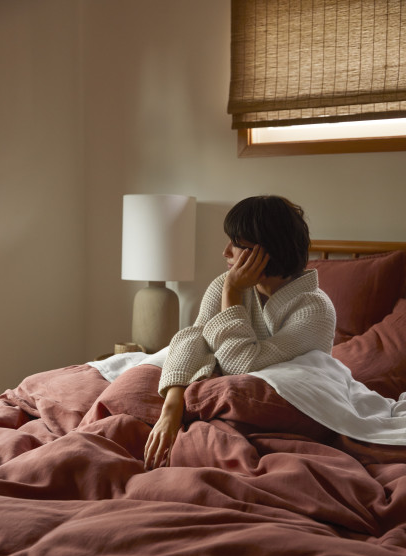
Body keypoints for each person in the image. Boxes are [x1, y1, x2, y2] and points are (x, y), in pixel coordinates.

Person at [144, 195, 336, 470]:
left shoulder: (314, 309)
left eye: (236, 244)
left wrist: (232, 294)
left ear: (267, 250)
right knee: (135, 381)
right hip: (224, 397)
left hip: (278, 411)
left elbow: (241, 366)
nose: (225, 252)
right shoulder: (224, 284)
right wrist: (171, 406)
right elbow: (193, 339)